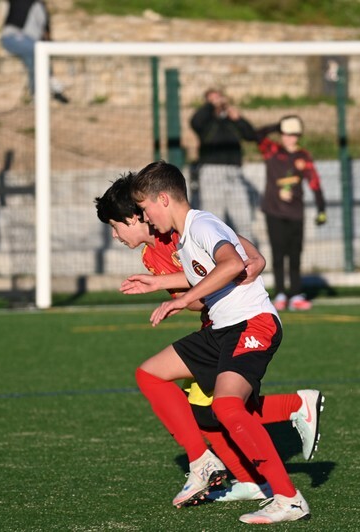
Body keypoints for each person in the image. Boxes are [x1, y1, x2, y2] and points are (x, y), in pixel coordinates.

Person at [95, 173, 325, 503]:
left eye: (115, 226)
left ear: (135, 216)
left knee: (221, 408)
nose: (115, 235)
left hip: (239, 321)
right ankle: (248, 477)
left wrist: (181, 290)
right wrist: (173, 289)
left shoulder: (183, 226)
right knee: (207, 412)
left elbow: (239, 254)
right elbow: (198, 295)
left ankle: (286, 426)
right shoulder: (150, 256)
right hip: (214, 325)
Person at [257, 116, 326, 313]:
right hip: (274, 212)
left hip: (296, 213)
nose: (289, 138)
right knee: (278, 254)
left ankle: (296, 294)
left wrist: (321, 209)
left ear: (298, 136)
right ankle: (280, 294)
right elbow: (256, 135)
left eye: (293, 134)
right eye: (285, 133)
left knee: (295, 255)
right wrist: (276, 125)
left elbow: (314, 182)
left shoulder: (303, 156)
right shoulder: (272, 151)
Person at [190, 88, 257, 241]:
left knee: (243, 219)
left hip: (234, 172)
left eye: (218, 97)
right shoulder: (206, 122)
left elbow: (251, 135)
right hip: (211, 171)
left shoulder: (231, 121)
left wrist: (238, 119)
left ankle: (248, 253)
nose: (217, 101)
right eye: (212, 99)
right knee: (214, 220)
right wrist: (211, 105)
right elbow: (195, 121)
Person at [0, 0, 68, 103]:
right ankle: (48, 81)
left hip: (32, 43)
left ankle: (37, 92)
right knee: (36, 51)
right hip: (12, 38)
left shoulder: (42, 8)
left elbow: (46, 33)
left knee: (35, 57)